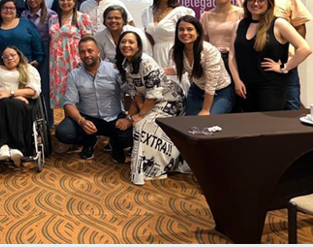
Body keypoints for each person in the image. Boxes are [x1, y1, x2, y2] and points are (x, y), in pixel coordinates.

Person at [235, 0, 313, 110]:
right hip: (252, 69)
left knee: (290, 107)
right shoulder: (242, 0)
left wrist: (287, 62)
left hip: (281, 62)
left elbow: (300, 28)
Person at [115, 31, 186, 186]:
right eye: (123, 42)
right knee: (140, 123)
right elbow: (136, 94)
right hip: (151, 103)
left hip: (171, 102)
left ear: (138, 46)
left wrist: (141, 115)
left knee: (141, 125)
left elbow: (153, 95)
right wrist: (140, 114)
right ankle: (145, 167)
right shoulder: (125, 64)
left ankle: (158, 168)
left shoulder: (146, 62)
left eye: (131, 42)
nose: (126, 45)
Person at [55, 37, 133, 162]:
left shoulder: (114, 70)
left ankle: (115, 143)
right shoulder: (74, 74)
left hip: (113, 118)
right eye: (82, 52)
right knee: (63, 133)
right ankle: (89, 140)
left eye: (90, 51)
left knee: (130, 135)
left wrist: (129, 118)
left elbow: (133, 93)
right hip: (88, 118)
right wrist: (81, 121)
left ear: (98, 52)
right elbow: (69, 103)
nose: (86, 55)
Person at [0, 46, 41, 167]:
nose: (9, 58)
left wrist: (10, 94)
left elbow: (33, 91)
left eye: (12, 55)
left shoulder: (29, 69)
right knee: (4, 104)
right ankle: (8, 147)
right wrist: (12, 96)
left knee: (6, 103)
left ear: (19, 55)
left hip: (23, 105)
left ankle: (7, 146)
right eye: (5, 56)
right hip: (1, 103)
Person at [169, 16, 234, 115]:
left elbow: (211, 84)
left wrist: (205, 110)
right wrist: (159, 70)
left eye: (190, 29)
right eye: (181, 29)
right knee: (189, 123)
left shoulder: (209, 50)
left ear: (198, 33)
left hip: (221, 91)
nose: (185, 33)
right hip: (197, 89)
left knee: (207, 122)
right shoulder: (177, 50)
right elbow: (182, 69)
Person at [140, 0, 195, 81]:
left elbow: (191, 36)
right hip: (156, 54)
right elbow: (149, 37)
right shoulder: (146, 12)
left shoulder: (181, 11)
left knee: (178, 87)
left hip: (176, 54)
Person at [48, 0, 93, 110]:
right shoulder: (52, 18)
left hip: (74, 61)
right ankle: (61, 124)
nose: (65, 2)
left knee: (76, 92)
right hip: (56, 64)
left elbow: (88, 42)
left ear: (74, 1)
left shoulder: (82, 17)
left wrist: (85, 60)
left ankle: (81, 122)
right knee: (58, 93)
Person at [22, 0, 58, 128]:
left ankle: (48, 123)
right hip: (27, 54)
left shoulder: (50, 15)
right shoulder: (23, 15)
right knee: (28, 86)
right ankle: (29, 123)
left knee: (44, 88)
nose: (32, 0)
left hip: (46, 53)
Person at [0, 0, 45, 71]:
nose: (8, 10)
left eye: (12, 8)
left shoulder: (26, 24)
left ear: (16, 10)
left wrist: (38, 59)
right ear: (0, 10)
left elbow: (37, 43)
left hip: (26, 67)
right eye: (5, 8)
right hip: (2, 69)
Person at [200, 0, 243, 75]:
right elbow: (204, 42)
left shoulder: (242, 13)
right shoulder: (205, 16)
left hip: (237, 60)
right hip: (214, 61)